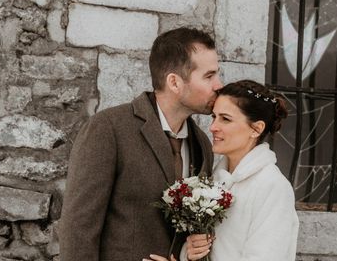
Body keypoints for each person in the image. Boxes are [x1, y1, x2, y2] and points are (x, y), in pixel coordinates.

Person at [59, 27, 223, 261]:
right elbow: (78, 230)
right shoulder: (109, 129)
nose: (218, 85)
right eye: (209, 76)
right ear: (175, 83)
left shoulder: (202, 145)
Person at [146, 80, 299, 261]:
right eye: (214, 117)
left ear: (256, 129)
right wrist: (189, 253)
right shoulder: (213, 181)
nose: (213, 127)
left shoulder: (273, 187)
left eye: (225, 119)